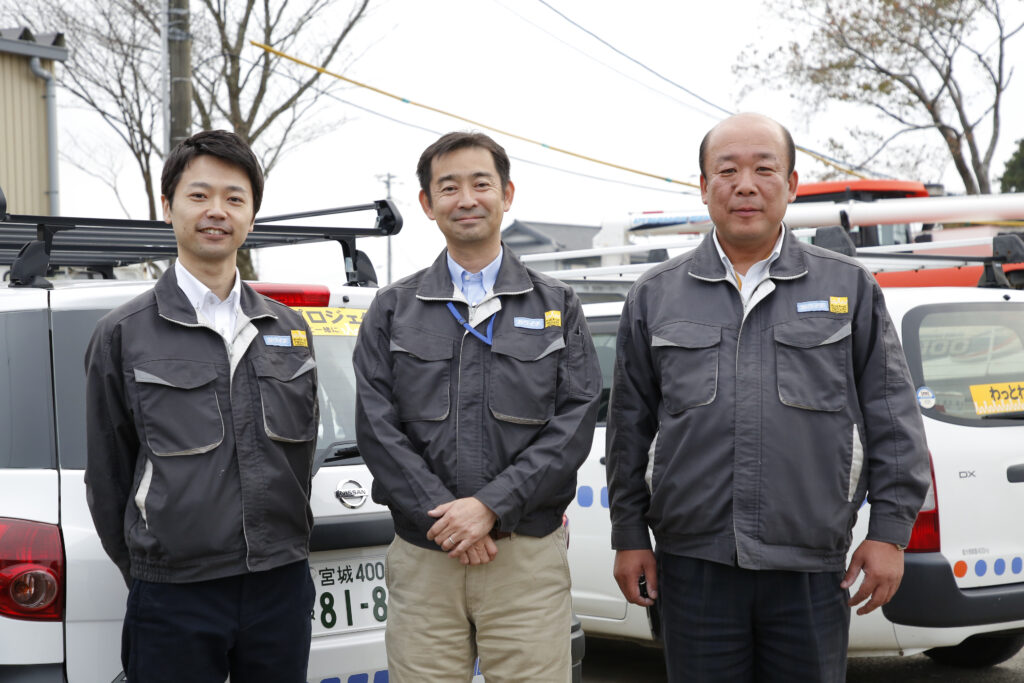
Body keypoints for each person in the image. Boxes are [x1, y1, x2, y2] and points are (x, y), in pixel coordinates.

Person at [606, 113, 930, 682]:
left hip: (809, 564)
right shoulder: (655, 295)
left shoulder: (848, 287)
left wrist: (889, 534)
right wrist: (629, 535)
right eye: (727, 171)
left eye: (764, 169)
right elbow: (628, 428)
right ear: (704, 186)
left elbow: (892, 417)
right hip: (694, 565)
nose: (745, 186)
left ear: (792, 184)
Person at [354, 131, 600, 682]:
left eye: (481, 184)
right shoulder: (393, 309)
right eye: (449, 187)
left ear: (506, 194)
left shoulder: (557, 305)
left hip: (525, 561)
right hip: (425, 557)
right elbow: (376, 425)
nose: (466, 199)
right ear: (427, 203)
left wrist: (490, 506)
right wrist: (446, 518)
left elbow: (574, 421)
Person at [85, 130, 318, 683]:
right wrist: (150, 567)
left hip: (280, 585)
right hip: (174, 594)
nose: (217, 211)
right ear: (168, 207)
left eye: (235, 198)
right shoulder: (123, 333)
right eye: (199, 195)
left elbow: (301, 456)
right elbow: (108, 474)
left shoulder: (288, 328)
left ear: (252, 216)